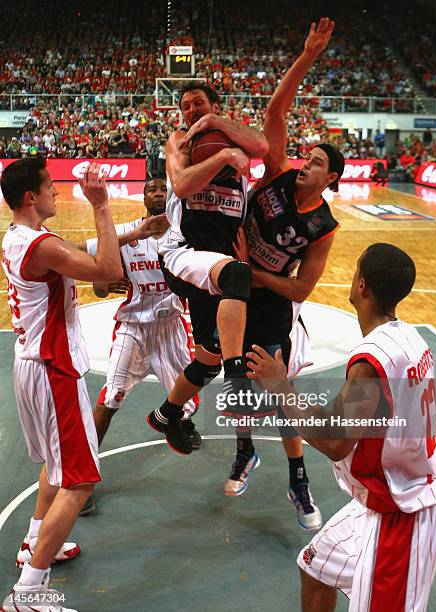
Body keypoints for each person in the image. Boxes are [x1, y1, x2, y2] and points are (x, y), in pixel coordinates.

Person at [246, 243, 436, 612]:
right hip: (383, 499)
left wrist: (279, 386)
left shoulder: (372, 360)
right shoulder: (409, 338)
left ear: (361, 285)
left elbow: (336, 441)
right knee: (317, 567)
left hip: (403, 516)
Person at [223, 18, 342, 532]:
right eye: (306, 156)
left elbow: (300, 288)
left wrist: (254, 270)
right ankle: (245, 452)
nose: (305, 163)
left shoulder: (323, 226)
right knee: (235, 379)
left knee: (278, 389)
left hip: (268, 297)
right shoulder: (276, 173)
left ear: (330, 178)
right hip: (231, 279)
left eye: (315, 162)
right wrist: (308, 55)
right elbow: (276, 109)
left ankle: (299, 480)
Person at [1, 158, 123, 611]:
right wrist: (103, 206)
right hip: (54, 371)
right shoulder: (42, 246)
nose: (57, 193)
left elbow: (72, 250)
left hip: (29, 364)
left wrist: (134, 232)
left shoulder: (17, 238)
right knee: (80, 480)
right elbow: (107, 269)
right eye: (51, 187)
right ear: (31, 197)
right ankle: (28, 593)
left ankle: (34, 541)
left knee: (56, 462)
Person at [147, 82, 269, 454]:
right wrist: (222, 158)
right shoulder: (180, 141)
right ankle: (238, 385)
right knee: (238, 275)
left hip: (214, 263)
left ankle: (166, 415)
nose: (191, 110)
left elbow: (262, 146)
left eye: (199, 103)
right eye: (185, 105)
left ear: (215, 106)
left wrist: (222, 131)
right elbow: (182, 185)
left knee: (207, 358)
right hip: (184, 253)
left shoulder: (238, 140)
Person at [78, 179, 202, 516]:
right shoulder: (127, 233)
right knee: (110, 396)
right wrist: (105, 281)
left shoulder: (186, 234)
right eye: (152, 189)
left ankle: (179, 420)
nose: (158, 193)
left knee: (188, 400)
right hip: (133, 328)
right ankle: (82, 479)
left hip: (171, 328)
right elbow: (99, 286)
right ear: (143, 197)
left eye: (163, 189)